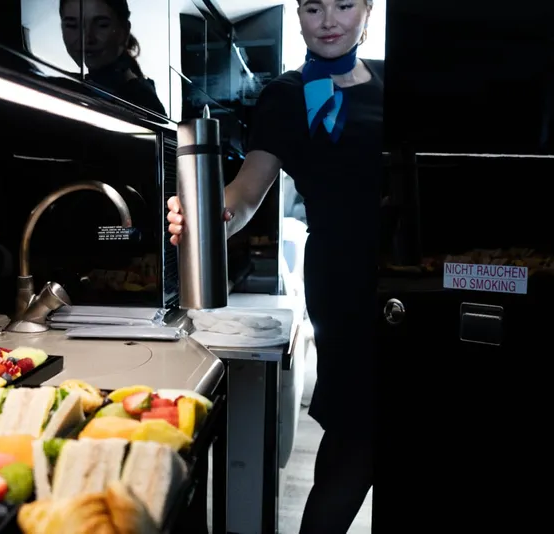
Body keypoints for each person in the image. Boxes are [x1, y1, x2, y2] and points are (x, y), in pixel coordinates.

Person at [167, 0, 382, 532]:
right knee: (357, 430)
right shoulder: (284, 96)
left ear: (368, 12)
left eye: (344, 5)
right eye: (313, 8)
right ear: (298, 16)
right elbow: (246, 191)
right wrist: (209, 216)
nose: (328, 20)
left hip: (411, 274)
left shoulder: (392, 81)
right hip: (344, 277)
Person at [59, 0, 166, 116]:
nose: (86, 38)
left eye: (102, 25)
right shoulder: (77, 84)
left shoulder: (142, 98)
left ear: (123, 32)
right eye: (72, 26)